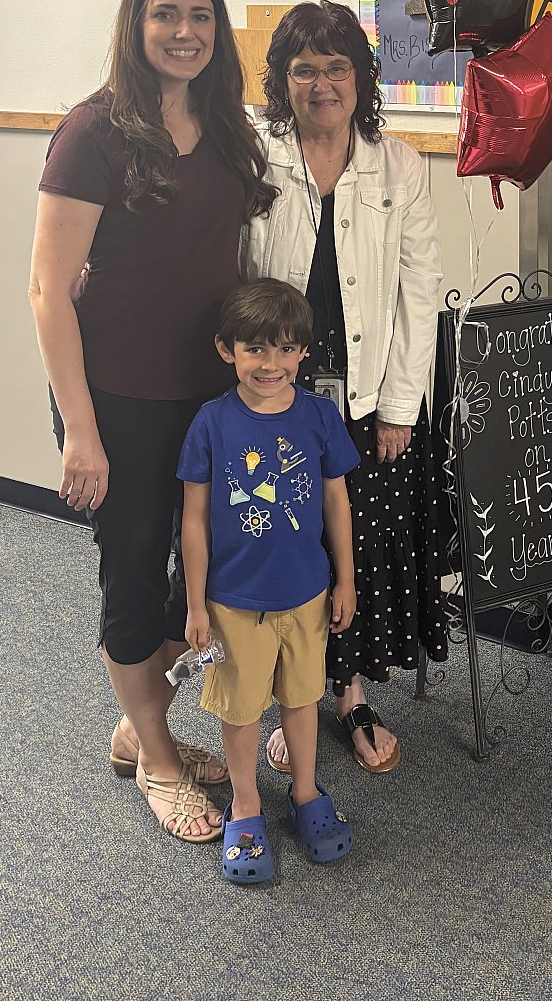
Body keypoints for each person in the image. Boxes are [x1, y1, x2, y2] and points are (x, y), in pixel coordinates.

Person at [30, 0, 276, 841]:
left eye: (201, 16)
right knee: (133, 565)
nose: (185, 32)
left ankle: (140, 723)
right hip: (116, 398)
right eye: (166, 13)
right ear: (136, 25)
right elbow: (47, 290)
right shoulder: (93, 132)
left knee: (204, 568)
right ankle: (158, 757)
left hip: (208, 397)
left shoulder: (228, 129)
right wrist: (80, 431)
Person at [244, 0, 448, 775]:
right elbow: (228, 271)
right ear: (282, 80)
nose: (322, 84)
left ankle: (349, 692)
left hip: (366, 399)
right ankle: (287, 694)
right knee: (278, 544)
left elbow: (418, 293)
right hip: (275, 392)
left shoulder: (398, 165)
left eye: (338, 67)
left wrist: (400, 407)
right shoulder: (255, 157)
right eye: (305, 69)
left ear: (362, 77)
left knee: (352, 548)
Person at [179, 280, 357, 883]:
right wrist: (196, 604)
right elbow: (194, 520)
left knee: (301, 699)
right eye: (254, 349)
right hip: (233, 603)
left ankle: (305, 791)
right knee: (240, 708)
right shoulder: (210, 424)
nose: (270, 364)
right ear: (226, 350)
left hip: (307, 594)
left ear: (303, 352)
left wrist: (346, 580)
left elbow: (337, 502)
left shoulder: (320, 417)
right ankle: (246, 804)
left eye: (284, 349)